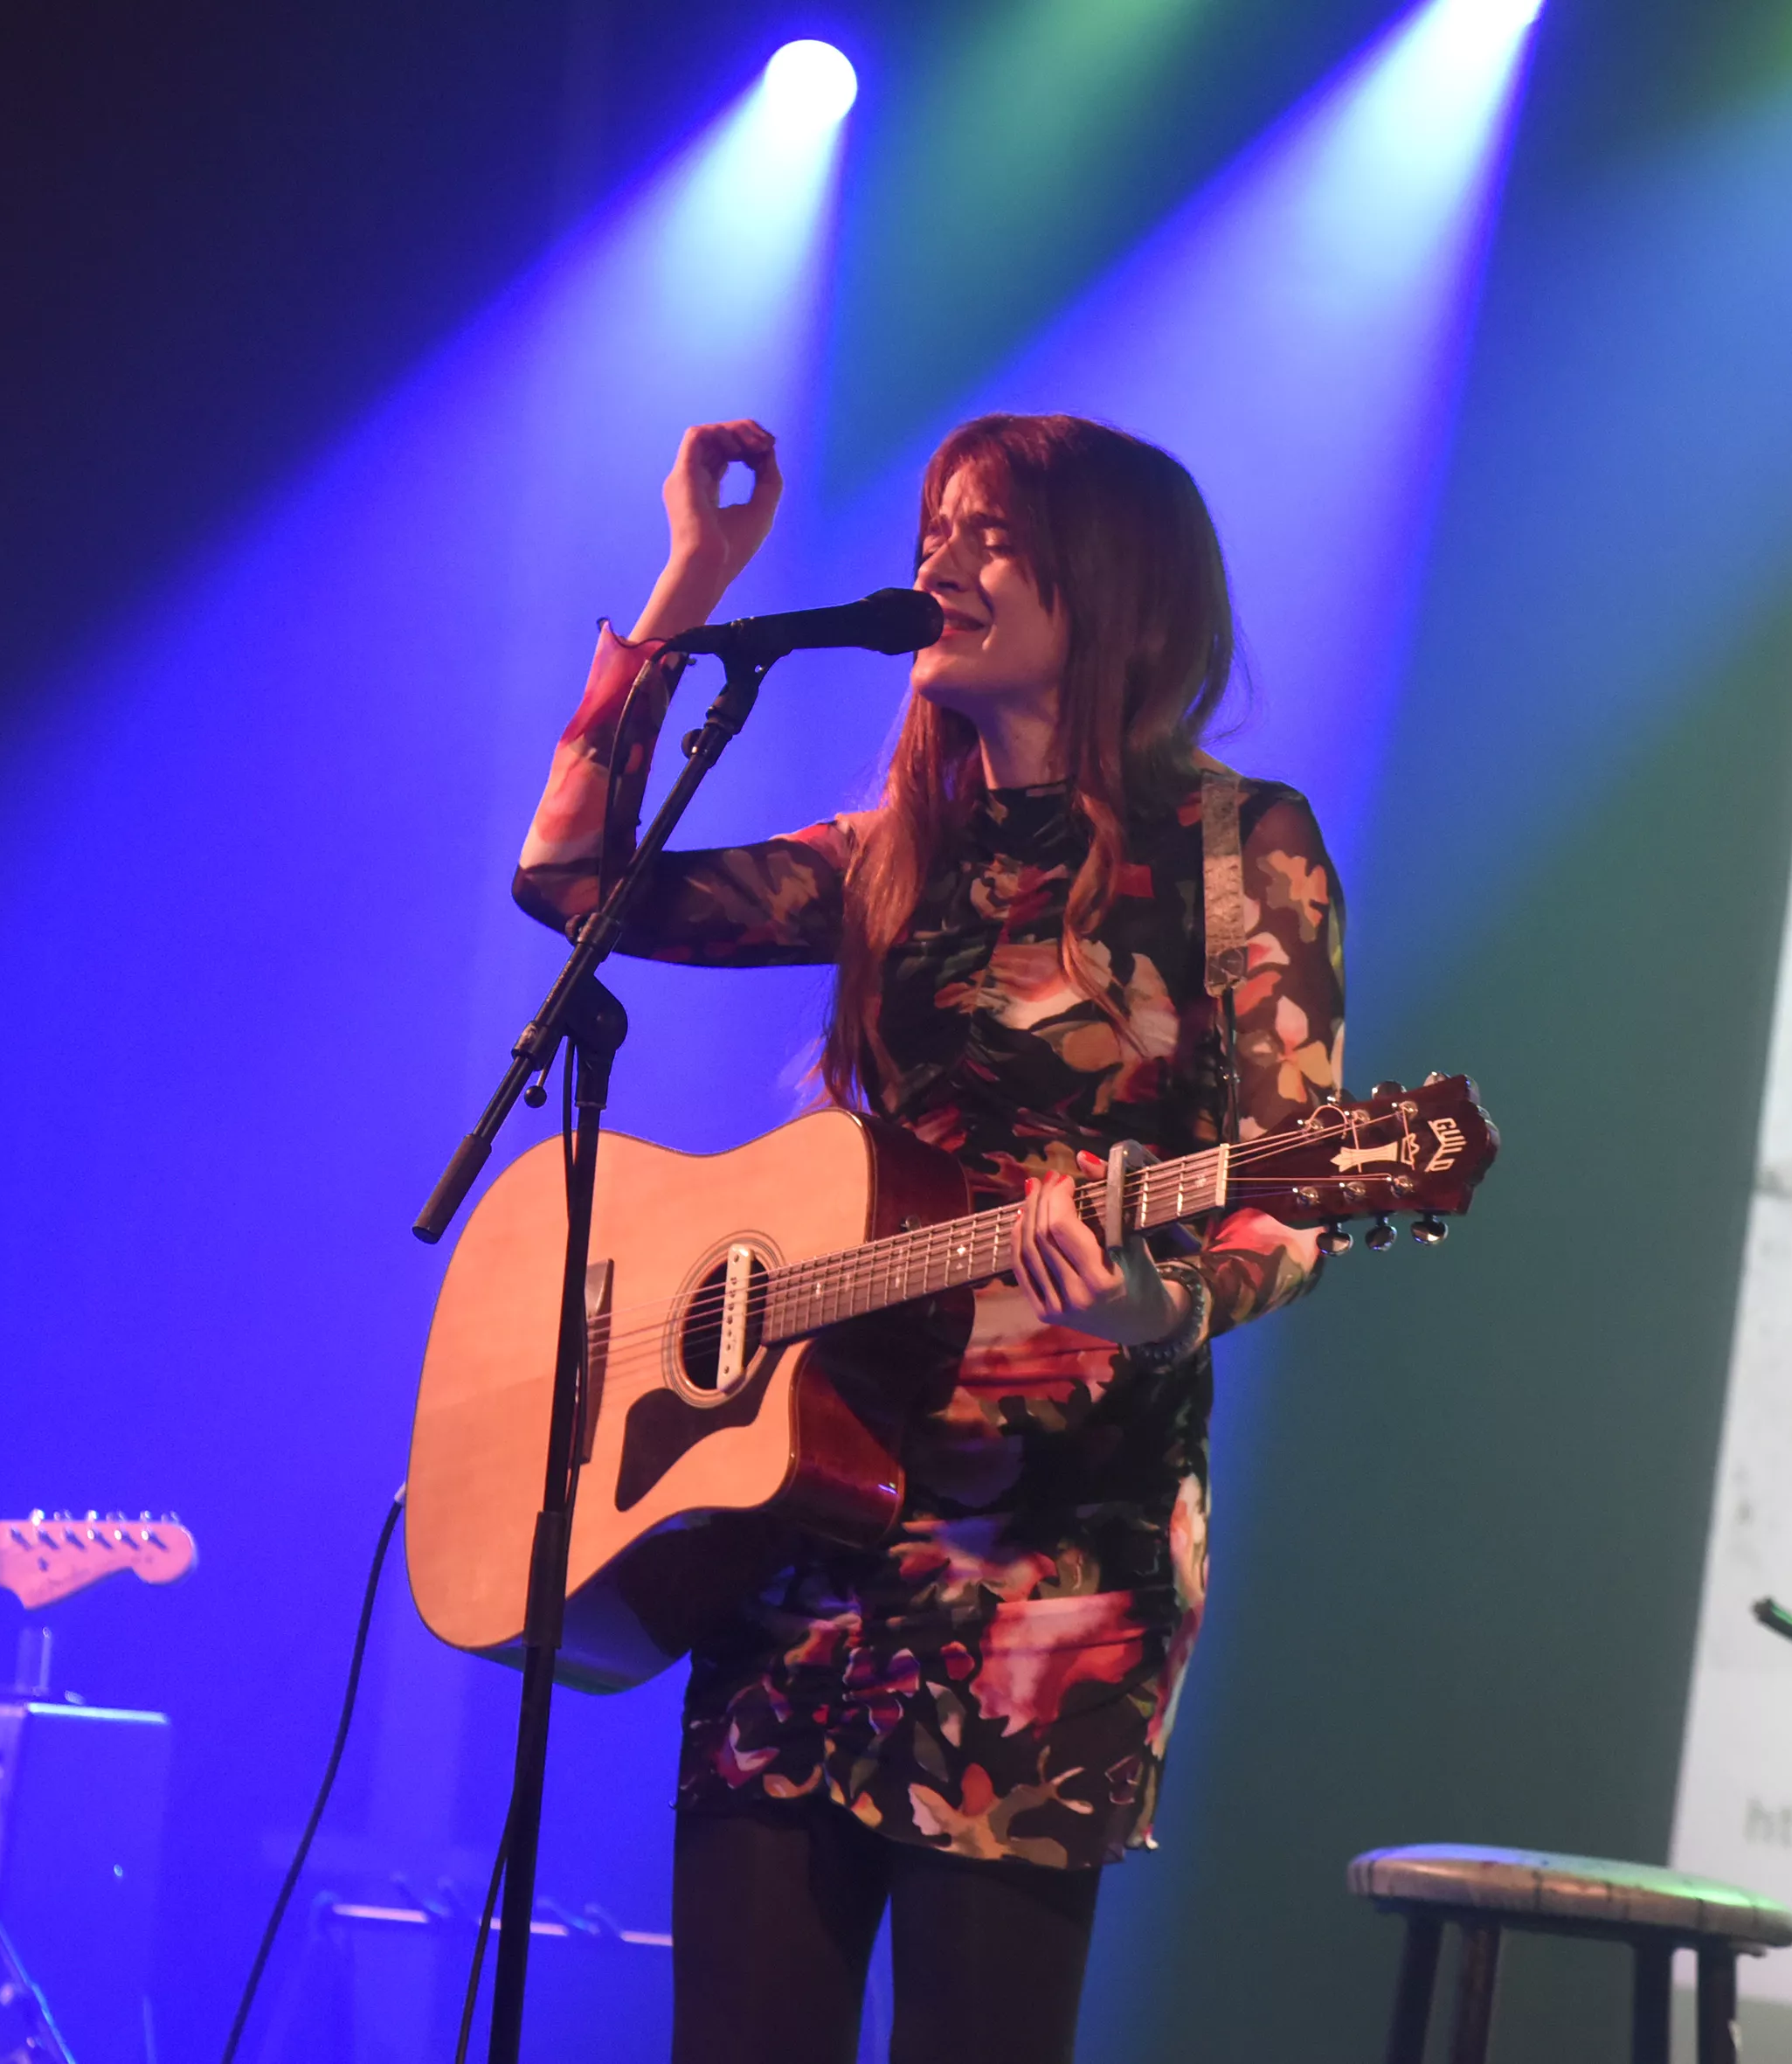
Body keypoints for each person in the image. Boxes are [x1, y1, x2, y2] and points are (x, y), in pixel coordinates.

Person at [512, 414, 1346, 2062]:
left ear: (1107, 580)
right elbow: (572, 878)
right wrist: (691, 580)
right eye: (931, 529)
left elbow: (1296, 1189)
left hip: (1053, 1558)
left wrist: (1158, 1301)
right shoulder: (893, 851)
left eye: (988, 533)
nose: (937, 562)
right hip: (808, 1517)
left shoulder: (1240, 847)